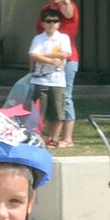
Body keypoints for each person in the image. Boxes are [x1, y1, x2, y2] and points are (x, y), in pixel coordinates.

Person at [36, 0, 79, 147]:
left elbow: (68, 13)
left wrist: (64, 2)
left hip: (68, 60)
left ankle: (68, 139)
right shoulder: (46, 9)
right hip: (46, 62)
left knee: (65, 97)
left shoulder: (68, 5)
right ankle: (50, 135)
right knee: (47, 98)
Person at [26, 11, 71, 143]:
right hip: (40, 80)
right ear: (43, 24)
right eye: (48, 21)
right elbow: (32, 55)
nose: (51, 24)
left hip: (58, 81)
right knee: (39, 112)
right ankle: (36, 137)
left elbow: (65, 54)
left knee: (57, 112)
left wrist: (43, 56)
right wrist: (51, 60)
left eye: (55, 21)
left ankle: (54, 139)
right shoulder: (38, 38)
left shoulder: (63, 38)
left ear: (59, 24)